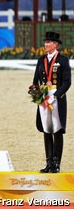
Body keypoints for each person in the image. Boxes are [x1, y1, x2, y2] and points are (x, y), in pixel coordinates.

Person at [32, 31, 71, 173]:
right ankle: (48, 162)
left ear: (55, 45)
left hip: (56, 98)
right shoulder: (41, 60)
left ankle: (56, 163)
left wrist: (56, 95)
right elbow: (35, 80)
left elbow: (67, 82)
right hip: (43, 98)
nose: (46, 44)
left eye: (49, 42)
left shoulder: (63, 60)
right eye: (45, 42)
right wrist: (37, 95)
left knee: (57, 130)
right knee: (46, 130)